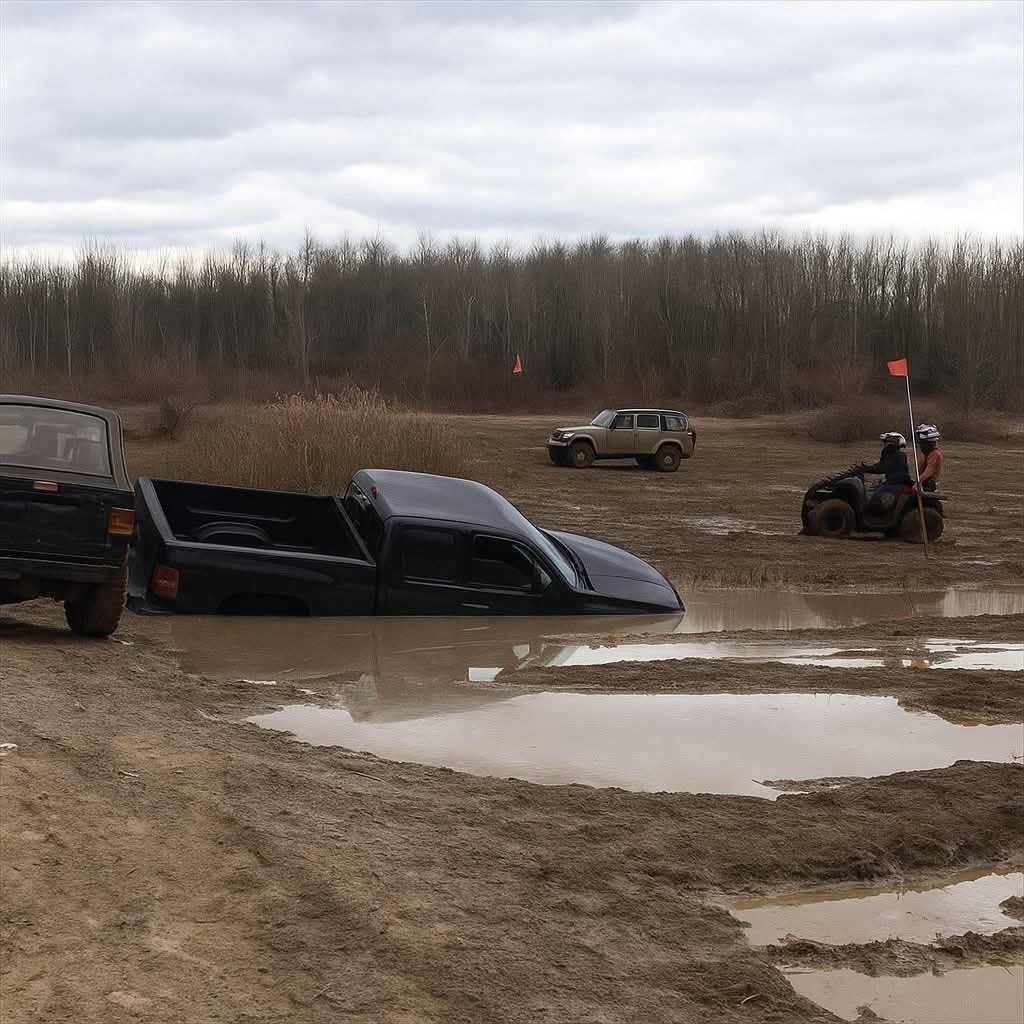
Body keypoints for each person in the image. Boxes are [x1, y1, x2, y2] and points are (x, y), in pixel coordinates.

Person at [857, 432, 912, 509]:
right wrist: (866, 467)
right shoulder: (888, 453)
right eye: (885, 442)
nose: (885, 444)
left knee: (875, 498)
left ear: (894, 443)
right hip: (891, 482)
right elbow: (880, 465)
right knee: (872, 490)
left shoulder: (899, 455)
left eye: (887, 442)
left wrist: (867, 469)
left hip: (897, 484)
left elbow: (884, 467)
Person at [914, 423, 943, 492]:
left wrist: (918, 482)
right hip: (923, 483)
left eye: (922, 443)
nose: (920, 445)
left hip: (929, 485)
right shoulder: (926, 454)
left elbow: (929, 471)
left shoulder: (935, 454)